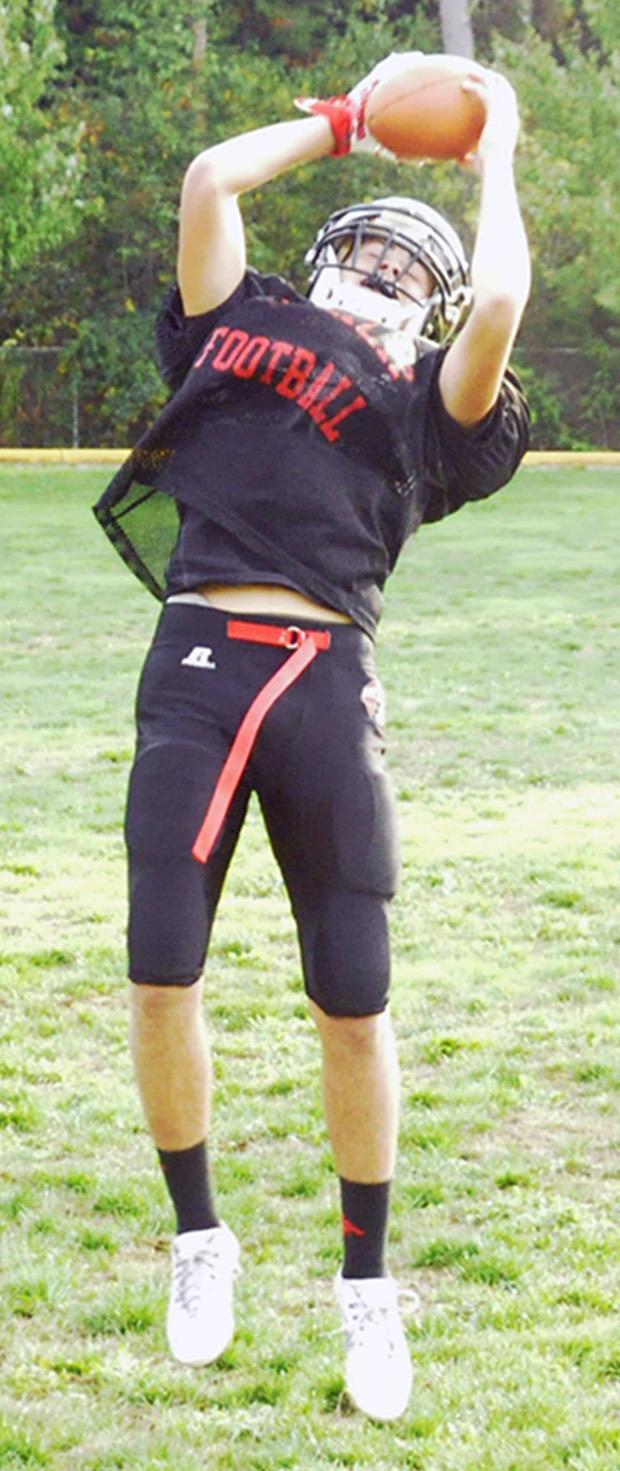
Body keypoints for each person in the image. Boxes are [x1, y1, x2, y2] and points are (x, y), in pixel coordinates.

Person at [93, 52, 530, 1423]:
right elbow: (211, 178)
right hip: (200, 658)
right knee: (160, 966)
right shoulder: (243, 319)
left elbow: (505, 292)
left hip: (327, 675)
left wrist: (496, 139)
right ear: (328, 255)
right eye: (373, 258)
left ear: (432, 315)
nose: (387, 283)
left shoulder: (434, 410)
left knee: (354, 994)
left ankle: (363, 1284)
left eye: (416, 276)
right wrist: (346, 127)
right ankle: (200, 1240)